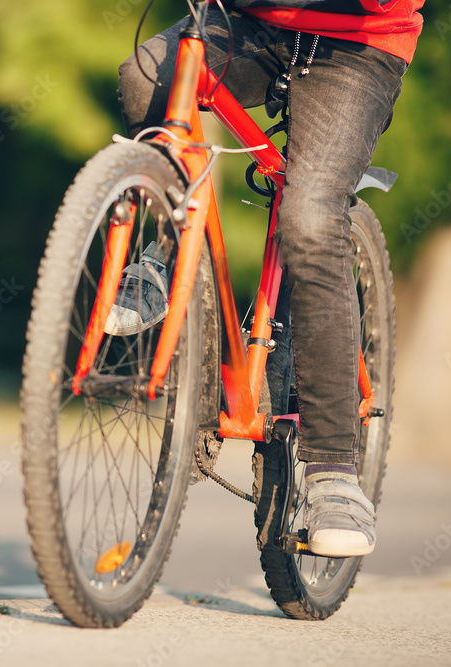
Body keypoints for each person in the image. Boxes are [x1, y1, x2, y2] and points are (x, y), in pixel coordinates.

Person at [109, 0, 424, 558]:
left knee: (310, 217)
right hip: (249, 21)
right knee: (144, 76)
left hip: (356, 42)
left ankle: (332, 472)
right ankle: (166, 252)